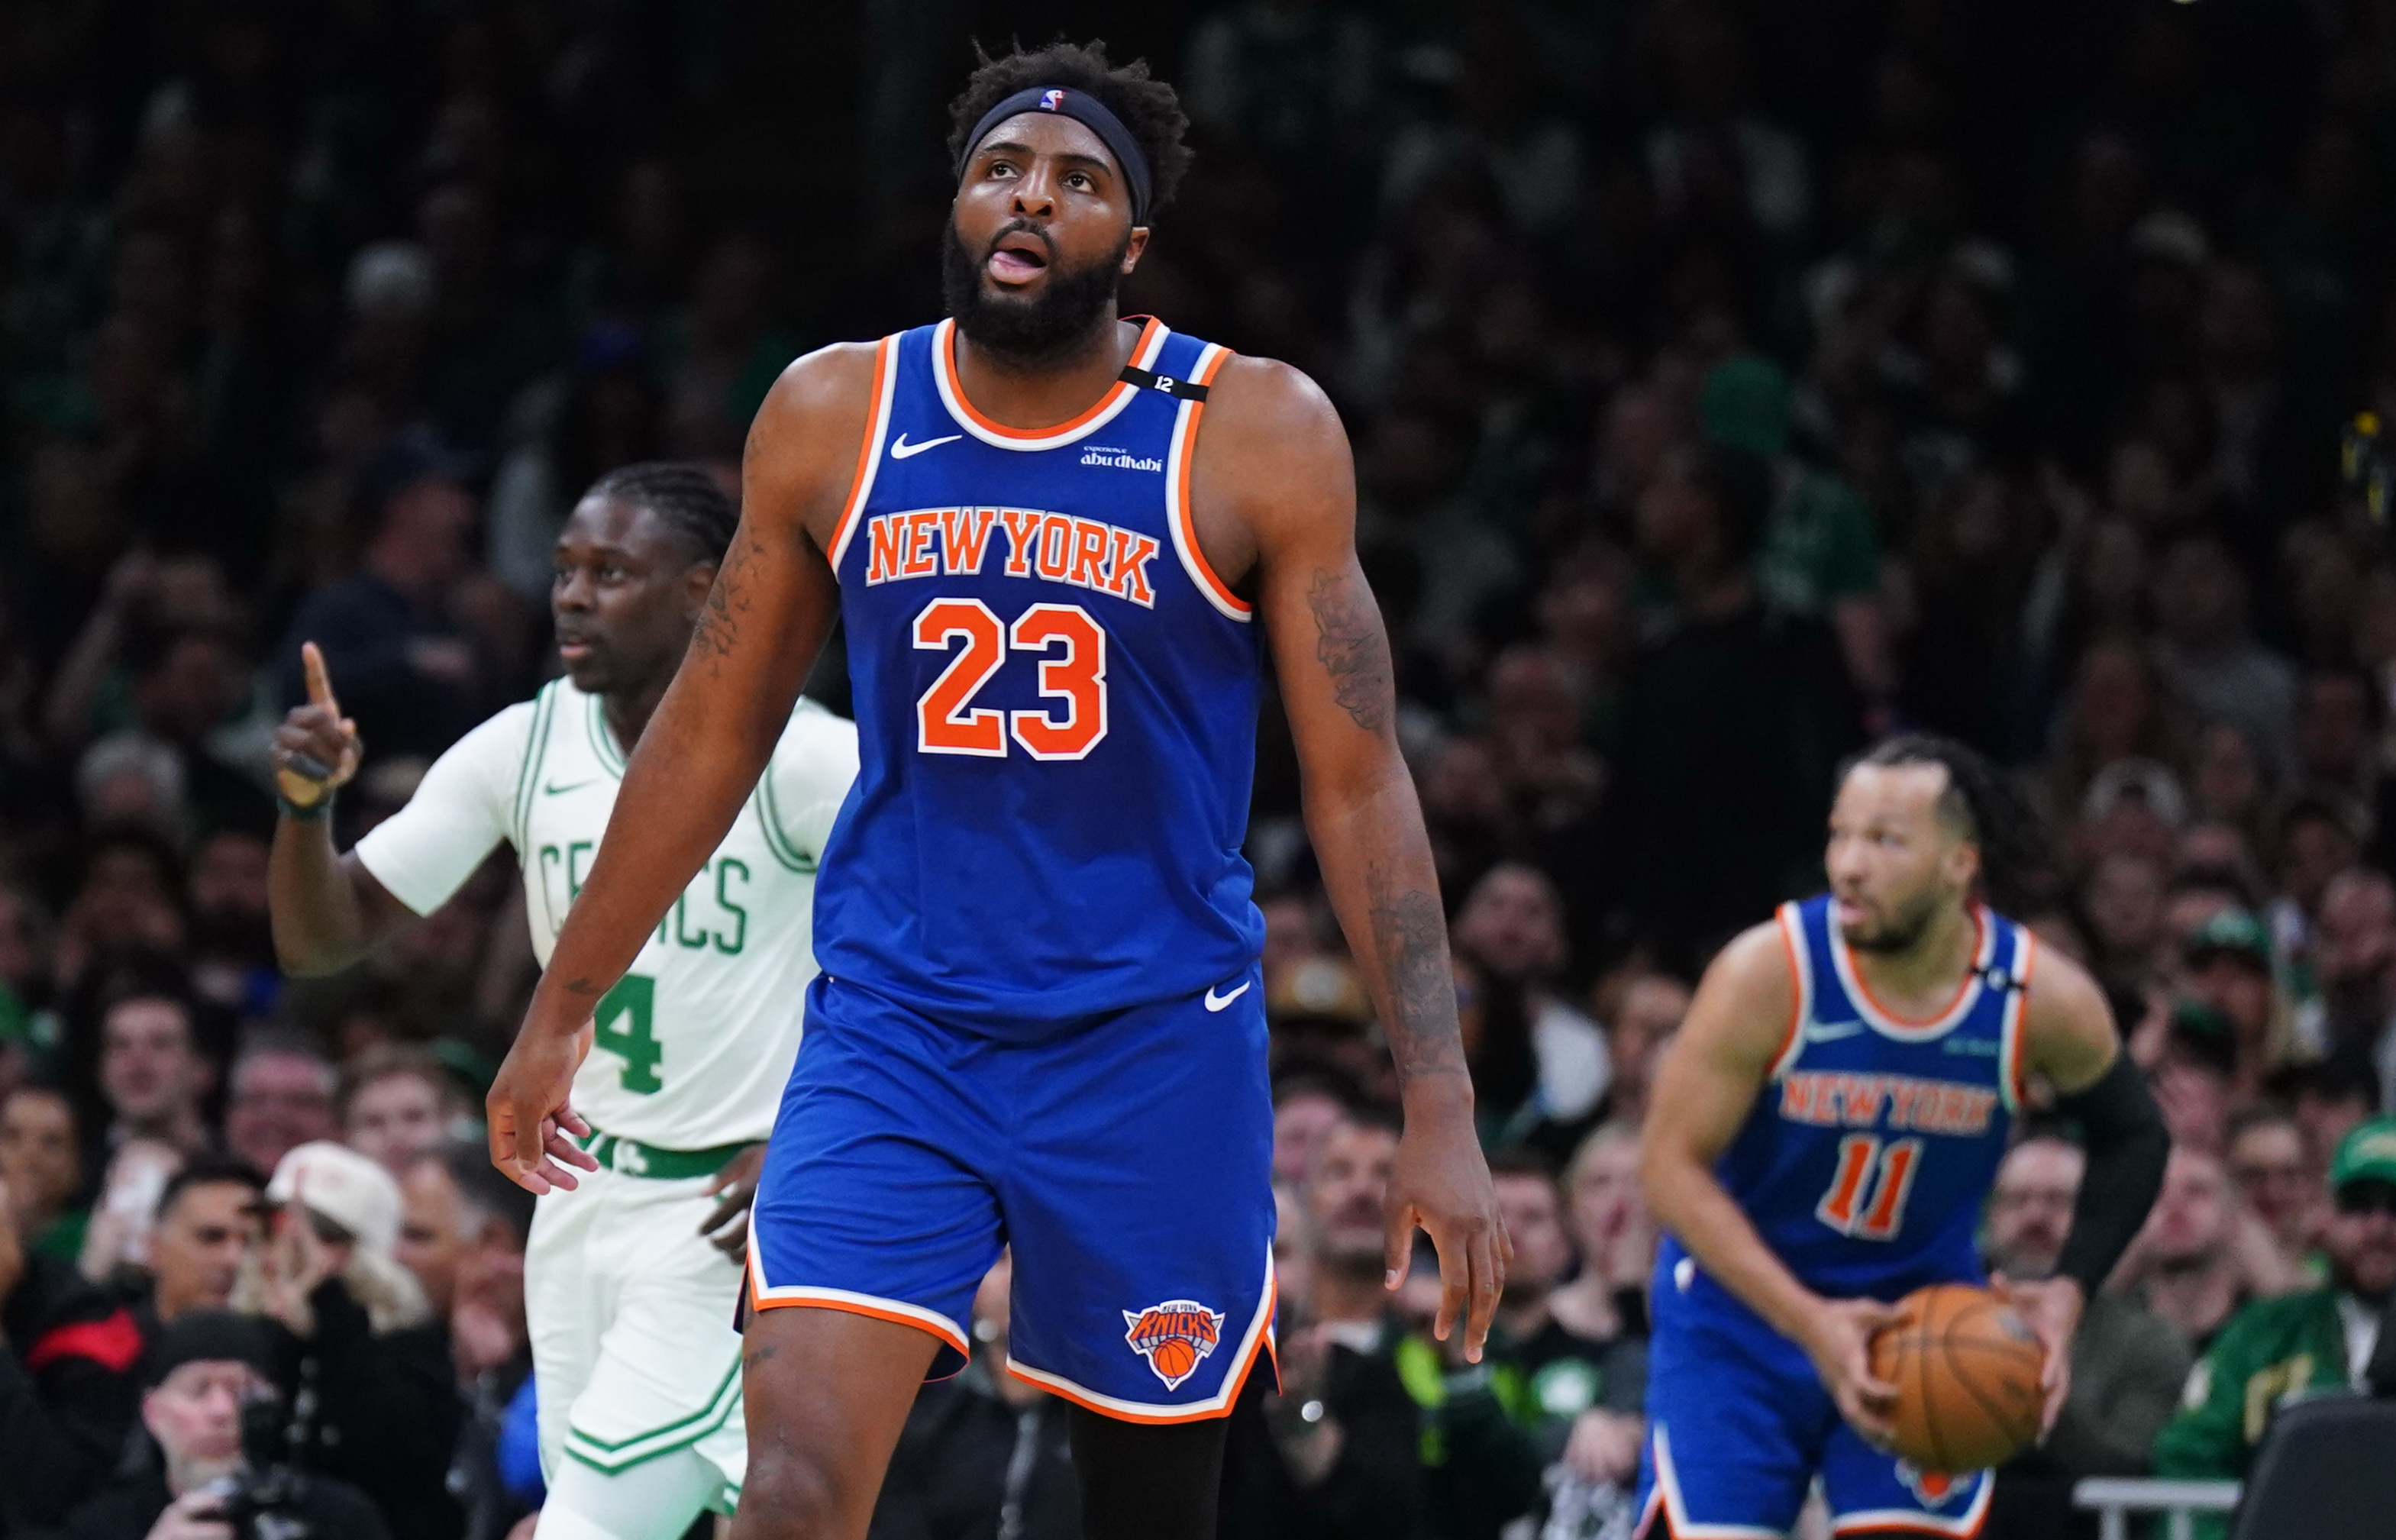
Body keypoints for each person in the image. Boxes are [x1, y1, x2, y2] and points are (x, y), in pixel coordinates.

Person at [486, 40, 1504, 1540]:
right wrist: (559, 1007)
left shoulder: (1256, 430)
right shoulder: (835, 411)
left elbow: (1357, 785)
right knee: (790, 1492)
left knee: (1149, 1518)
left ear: (1133, 242)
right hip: (897, 1029)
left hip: (1152, 1042)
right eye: (1001, 170)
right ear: (956, 204)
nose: (1032, 198)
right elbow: (705, 734)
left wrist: (1437, 1096)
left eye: (1079, 181)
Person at [269, 460, 858, 1540]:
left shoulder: (809, 760)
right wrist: (307, 809)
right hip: (580, 1202)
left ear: (703, 592)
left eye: (612, 573)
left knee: (586, 1525)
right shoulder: (529, 743)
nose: (573, 597)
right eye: (565, 570)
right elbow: (324, 936)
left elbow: (952, 951)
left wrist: (824, 1136)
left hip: (732, 1214)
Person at [1636, 734, 2169, 1535]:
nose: (1850, 865)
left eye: (1885, 840)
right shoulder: (1769, 973)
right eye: (1841, 835)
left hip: (1919, 1326)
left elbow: (2136, 1134)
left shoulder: (2036, 995)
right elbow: (1668, 1168)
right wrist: (1811, 1321)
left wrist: (2067, 1292)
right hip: (1742, 1326)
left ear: (1960, 862)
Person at [2153, 1116, 2396, 1540]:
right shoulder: (2266, 1331)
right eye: (2359, 1205)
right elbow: (2188, 1462)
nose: (2379, 1227)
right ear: (2325, 1214)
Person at [1982, 1135, 2192, 1540]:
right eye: (2017, 1201)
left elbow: (2135, 1465)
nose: (2035, 1217)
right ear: (1991, 1215)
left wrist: (2032, 1381)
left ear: (2095, 1220)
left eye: (2058, 1201)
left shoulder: (2149, 1341)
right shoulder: (1935, 1321)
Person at [31, 1309, 391, 1540]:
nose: (222, 1412)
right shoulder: (103, 1527)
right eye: (198, 1391)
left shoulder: (339, 1519)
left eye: (242, 1390)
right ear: (153, 1413)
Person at [131, 1156, 266, 1333]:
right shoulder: (102, 1345)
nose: (234, 1259)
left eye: (251, 1242)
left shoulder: (285, 1346)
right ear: (154, 1248)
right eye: (211, 1237)